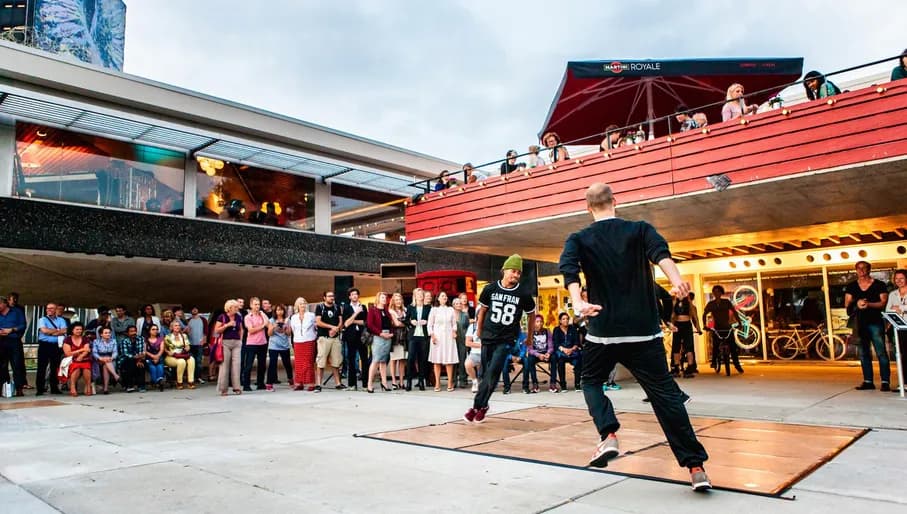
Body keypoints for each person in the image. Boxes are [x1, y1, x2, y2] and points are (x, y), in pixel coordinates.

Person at [558, 182, 711, 491]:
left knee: (590, 381)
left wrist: (577, 302)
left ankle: (608, 435)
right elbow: (661, 254)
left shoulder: (578, 238)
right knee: (665, 397)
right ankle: (696, 468)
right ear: (615, 201)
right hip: (644, 331)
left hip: (603, 330)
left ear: (588, 208)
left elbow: (569, 270)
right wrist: (677, 281)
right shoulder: (640, 229)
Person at [463, 254, 536, 423]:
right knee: (486, 374)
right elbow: (482, 311)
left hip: (506, 339)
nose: (516, 275)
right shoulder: (490, 289)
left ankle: (475, 407)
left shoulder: (523, 293)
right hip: (488, 336)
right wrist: (479, 330)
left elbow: (532, 315)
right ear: (504, 270)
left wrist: (529, 337)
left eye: (519, 273)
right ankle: (484, 406)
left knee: (493, 372)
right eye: (513, 271)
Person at [845, 261, 890, 391]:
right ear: (856, 270)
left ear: (869, 269)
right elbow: (847, 304)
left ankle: (885, 381)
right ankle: (868, 381)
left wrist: (868, 304)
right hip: (860, 324)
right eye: (859, 268)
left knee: (881, 352)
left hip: (875, 322)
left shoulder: (879, 285)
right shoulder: (851, 286)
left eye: (864, 268)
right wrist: (857, 303)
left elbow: (883, 302)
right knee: (864, 353)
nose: (861, 270)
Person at [702, 285, 744, 375]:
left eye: (718, 291)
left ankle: (737, 365)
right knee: (715, 345)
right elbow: (704, 314)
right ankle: (714, 361)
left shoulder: (726, 302)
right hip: (717, 328)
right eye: (714, 292)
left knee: (733, 347)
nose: (716, 293)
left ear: (721, 293)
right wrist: (705, 325)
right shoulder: (711, 304)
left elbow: (734, 312)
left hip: (727, 327)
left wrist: (739, 323)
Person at [314, 291, 346, 391]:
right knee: (321, 362)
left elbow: (340, 321)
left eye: (332, 296)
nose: (331, 298)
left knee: (336, 362)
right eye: (329, 296)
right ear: (324, 297)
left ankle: (338, 383)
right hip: (324, 338)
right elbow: (318, 322)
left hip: (335, 338)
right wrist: (331, 327)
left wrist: (336, 329)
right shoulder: (320, 307)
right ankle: (318, 384)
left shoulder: (337, 307)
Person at [428, 291, 459, 392]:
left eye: (445, 296)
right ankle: (437, 383)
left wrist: (454, 331)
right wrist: (432, 335)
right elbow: (429, 325)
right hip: (437, 337)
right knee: (437, 360)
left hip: (449, 337)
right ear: (438, 298)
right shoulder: (434, 310)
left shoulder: (450, 309)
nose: (444, 297)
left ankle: (450, 383)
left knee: (449, 360)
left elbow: (454, 324)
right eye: (442, 296)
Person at [36, 302, 67, 396]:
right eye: (47, 308)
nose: (49, 310)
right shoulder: (42, 319)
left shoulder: (61, 320)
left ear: (56, 310)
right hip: (44, 345)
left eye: (51, 308)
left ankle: (54, 387)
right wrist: (58, 331)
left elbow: (65, 330)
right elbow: (44, 331)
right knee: (42, 367)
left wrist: (51, 332)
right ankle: (40, 389)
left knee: (55, 367)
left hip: (56, 346)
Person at [365, 292, 393, 393]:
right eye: (382, 297)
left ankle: (384, 383)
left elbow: (390, 323)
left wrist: (391, 333)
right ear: (378, 299)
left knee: (384, 361)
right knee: (376, 360)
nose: (384, 299)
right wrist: (380, 333)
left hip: (388, 336)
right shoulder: (372, 310)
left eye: (385, 298)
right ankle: (369, 384)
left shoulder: (386, 311)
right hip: (378, 336)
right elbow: (370, 325)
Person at [341, 288, 369, 390]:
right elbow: (346, 323)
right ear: (349, 297)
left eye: (356, 294)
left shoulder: (363, 307)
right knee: (351, 359)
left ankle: (365, 384)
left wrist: (353, 320)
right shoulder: (346, 308)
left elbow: (365, 322)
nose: (355, 296)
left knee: (364, 359)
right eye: (352, 294)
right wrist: (356, 313)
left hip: (362, 336)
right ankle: (352, 384)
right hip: (350, 336)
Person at [215, 300, 244, 396]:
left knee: (237, 365)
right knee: (224, 365)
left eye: (237, 307)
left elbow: (241, 329)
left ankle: (237, 387)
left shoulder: (238, 316)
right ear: (229, 308)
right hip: (225, 342)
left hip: (236, 342)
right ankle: (223, 389)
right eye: (235, 307)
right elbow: (216, 330)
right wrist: (227, 325)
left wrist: (240, 340)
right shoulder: (222, 317)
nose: (237, 309)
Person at [0, 295, 27, 397]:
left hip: (14, 341)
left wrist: (12, 329)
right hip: (1, 341)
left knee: (17, 365)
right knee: (2, 366)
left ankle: (19, 389)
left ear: (4, 304)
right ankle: (4, 388)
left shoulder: (17, 312)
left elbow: (23, 325)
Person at [406, 288, 432, 391]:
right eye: (418, 294)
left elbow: (432, 320)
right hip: (413, 336)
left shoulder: (428, 307)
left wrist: (427, 322)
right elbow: (406, 320)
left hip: (424, 336)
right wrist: (411, 322)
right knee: (411, 358)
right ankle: (409, 381)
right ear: (415, 296)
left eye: (421, 294)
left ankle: (421, 381)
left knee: (423, 359)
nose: (420, 296)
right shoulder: (410, 307)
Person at [885, 269, 907, 392]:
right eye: (896, 279)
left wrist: (900, 308)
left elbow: (897, 308)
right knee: (902, 355)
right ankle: (904, 383)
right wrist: (898, 309)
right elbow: (888, 309)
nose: (899, 281)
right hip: (899, 327)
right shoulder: (893, 294)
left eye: (901, 278)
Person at [289, 297, 317, 391]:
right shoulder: (293, 317)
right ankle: (299, 383)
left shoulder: (311, 315)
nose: (303, 305)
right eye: (300, 303)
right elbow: (293, 330)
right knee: (298, 364)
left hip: (309, 341)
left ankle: (311, 383)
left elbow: (315, 328)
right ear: (297, 305)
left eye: (304, 303)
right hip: (298, 342)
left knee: (308, 363)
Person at [672, 292, 702, 378]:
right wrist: (671, 325)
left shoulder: (689, 303)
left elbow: (695, 317)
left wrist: (698, 328)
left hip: (687, 325)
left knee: (688, 347)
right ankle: (676, 367)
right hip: (677, 325)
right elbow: (672, 314)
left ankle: (690, 367)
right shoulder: (675, 302)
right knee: (676, 347)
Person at [241, 297, 269, 392]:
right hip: (251, 343)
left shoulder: (262, 315)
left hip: (262, 343)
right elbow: (251, 330)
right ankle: (246, 385)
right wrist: (262, 326)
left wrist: (263, 314)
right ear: (251, 305)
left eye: (258, 304)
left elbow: (267, 323)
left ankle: (260, 383)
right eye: (255, 304)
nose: (257, 306)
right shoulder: (248, 317)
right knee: (249, 365)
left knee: (262, 365)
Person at [552, 311, 582, 393]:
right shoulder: (556, 330)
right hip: (561, 352)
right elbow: (556, 343)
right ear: (560, 321)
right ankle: (563, 385)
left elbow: (576, 342)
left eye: (567, 319)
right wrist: (564, 349)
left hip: (572, 351)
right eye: (563, 319)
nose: (566, 320)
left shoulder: (573, 329)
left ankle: (577, 384)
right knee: (560, 362)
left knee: (578, 360)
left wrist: (571, 349)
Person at [523, 314, 552, 394]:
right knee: (530, 358)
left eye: (541, 322)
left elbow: (551, 346)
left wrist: (548, 353)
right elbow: (530, 350)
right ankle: (535, 383)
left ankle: (553, 383)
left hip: (545, 352)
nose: (539, 323)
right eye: (537, 322)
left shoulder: (547, 331)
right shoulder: (530, 333)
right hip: (536, 354)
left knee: (554, 357)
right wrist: (538, 355)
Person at [266, 305, 292, 391]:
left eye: (281, 310)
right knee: (272, 364)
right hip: (274, 346)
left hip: (284, 345)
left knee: (287, 364)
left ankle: (290, 380)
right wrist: (273, 326)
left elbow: (289, 334)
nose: (279, 312)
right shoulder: (271, 320)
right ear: (275, 311)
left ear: (284, 311)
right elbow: (269, 334)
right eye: (278, 310)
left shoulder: (287, 320)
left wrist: (285, 327)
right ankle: (269, 383)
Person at [6, 292, 29, 391]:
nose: (14, 301)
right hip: (3, 339)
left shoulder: (19, 309)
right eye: (13, 299)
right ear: (8, 300)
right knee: (3, 364)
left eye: (16, 299)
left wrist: (18, 334)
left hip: (15, 338)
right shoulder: (4, 309)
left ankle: (20, 386)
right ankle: (5, 385)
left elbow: (23, 325)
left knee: (18, 363)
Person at [63, 322, 92, 396]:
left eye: (80, 329)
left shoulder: (85, 339)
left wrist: (81, 356)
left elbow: (87, 350)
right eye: (77, 329)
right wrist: (81, 350)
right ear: (72, 330)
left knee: (86, 367)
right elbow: (68, 353)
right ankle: (72, 387)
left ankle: (88, 386)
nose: (79, 331)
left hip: (84, 359)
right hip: (71, 360)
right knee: (76, 367)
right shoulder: (67, 339)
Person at [164, 320, 195, 390]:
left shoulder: (184, 336)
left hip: (182, 355)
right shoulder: (168, 337)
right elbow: (164, 348)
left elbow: (188, 346)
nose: (178, 327)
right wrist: (168, 352)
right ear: (172, 327)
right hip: (171, 356)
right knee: (181, 361)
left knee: (192, 359)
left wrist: (187, 348)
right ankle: (179, 382)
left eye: (179, 325)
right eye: (175, 325)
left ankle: (191, 381)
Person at [388, 292, 408, 390]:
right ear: (393, 301)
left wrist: (404, 323)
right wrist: (406, 324)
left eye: (399, 299)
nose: (398, 301)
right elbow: (396, 324)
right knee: (394, 359)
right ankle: (393, 381)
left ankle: (401, 381)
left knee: (402, 360)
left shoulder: (405, 310)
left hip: (404, 337)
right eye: (396, 300)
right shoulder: (391, 311)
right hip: (395, 337)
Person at [117, 325, 146, 393]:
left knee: (141, 364)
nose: (134, 333)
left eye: (135, 331)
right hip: (126, 360)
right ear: (127, 333)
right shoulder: (124, 341)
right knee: (130, 362)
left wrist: (139, 360)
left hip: (138, 358)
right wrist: (136, 358)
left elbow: (141, 352)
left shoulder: (141, 338)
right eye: (131, 331)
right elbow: (125, 354)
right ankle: (129, 385)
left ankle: (141, 386)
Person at [92, 327, 120, 394]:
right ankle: (116, 376)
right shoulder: (96, 341)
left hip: (110, 358)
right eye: (106, 333)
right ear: (101, 334)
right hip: (99, 359)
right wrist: (101, 358)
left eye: (109, 333)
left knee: (105, 366)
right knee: (106, 362)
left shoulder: (113, 341)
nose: (108, 334)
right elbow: (94, 352)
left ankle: (105, 389)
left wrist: (112, 358)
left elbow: (115, 352)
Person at [186, 307, 207, 384]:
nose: (194, 310)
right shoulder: (188, 320)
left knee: (199, 362)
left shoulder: (203, 320)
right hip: (190, 344)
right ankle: (191, 378)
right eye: (193, 309)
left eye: (196, 309)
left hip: (199, 344)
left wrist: (204, 340)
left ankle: (198, 377)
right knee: (191, 361)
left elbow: (206, 331)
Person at [453, 296, 470, 388]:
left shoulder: (465, 315)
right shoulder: (450, 314)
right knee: (453, 360)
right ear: (453, 305)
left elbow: (468, 327)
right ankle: (453, 380)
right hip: (452, 340)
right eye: (456, 303)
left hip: (463, 339)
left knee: (462, 359)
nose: (459, 305)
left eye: (460, 303)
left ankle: (463, 380)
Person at [145, 324, 166, 391]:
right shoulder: (146, 340)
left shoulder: (160, 339)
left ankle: (159, 381)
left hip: (159, 357)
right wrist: (153, 356)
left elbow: (162, 350)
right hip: (149, 358)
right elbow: (145, 351)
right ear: (149, 331)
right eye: (153, 329)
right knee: (152, 368)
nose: (155, 331)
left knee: (160, 366)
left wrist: (157, 357)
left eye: (156, 329)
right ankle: (157, 382)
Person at [464, 321, 482, 392]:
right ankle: (475, 382)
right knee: (467, 364)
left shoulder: (489, 325)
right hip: (475, 353)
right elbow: (467, 343)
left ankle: (484, 383)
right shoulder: (473, 327)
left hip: (487, 353)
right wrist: (481, 345)